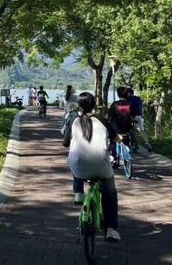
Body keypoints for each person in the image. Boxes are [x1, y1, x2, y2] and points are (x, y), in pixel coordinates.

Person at [63, 92, 121, 242]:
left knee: (74, 161)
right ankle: (111, 229)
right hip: (101, 164)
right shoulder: (102, 120)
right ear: (94, 105)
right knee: (110, 194)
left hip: (79, 167)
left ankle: (78, 192)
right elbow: (116, 138)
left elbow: (65, 143)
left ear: (79, 106)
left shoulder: (74, 121)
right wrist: (119, 139)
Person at [126, 87, 152, 152]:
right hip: (139, 116)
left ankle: (133, 143)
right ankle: (146, 142)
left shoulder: (127, 99)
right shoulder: (138, 98)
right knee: (141, 130)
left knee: (128, 130)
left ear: (128, 93)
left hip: (131, 117)